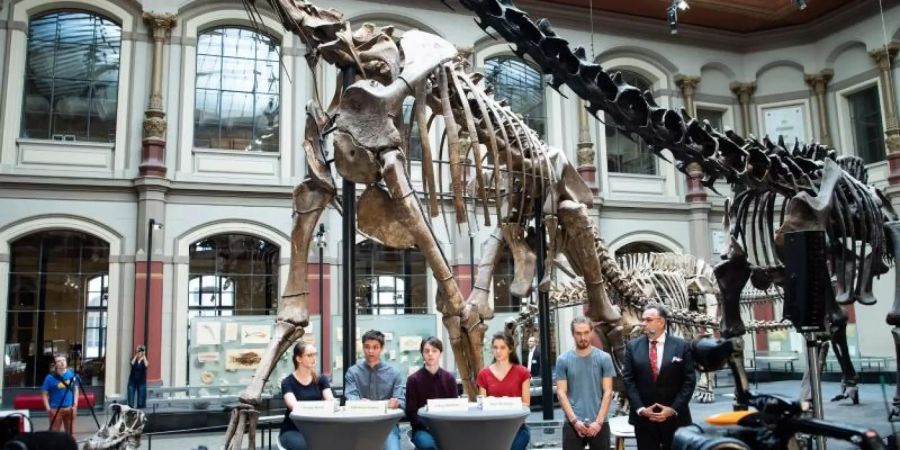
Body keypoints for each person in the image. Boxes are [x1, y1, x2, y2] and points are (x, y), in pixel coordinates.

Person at [621, 303, 696, 450]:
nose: (643, 323)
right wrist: (641, 409)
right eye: (643, 320)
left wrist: (673, 409)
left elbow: (689, 380)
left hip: (675, 419)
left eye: (648, 320)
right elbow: (628, 380)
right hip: (644, 420)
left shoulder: (682, 346)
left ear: (661, 322)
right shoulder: (632, 347)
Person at [556, 316, 616, 450]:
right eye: (578, 333)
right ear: (573, 334)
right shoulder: (563, 360)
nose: (583, 337)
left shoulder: (604, 358)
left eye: (586, 333)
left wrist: (598, 423)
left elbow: (608, 392)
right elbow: (561, 392)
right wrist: (574, 421)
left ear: (592, 332)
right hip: (572, 423)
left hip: (599, 421)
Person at [344, 330, 405, 450]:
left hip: (387, 425)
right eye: (367, 347)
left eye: (375, 347)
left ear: (382, 349)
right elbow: (351, 398)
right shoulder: (352, 372)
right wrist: (359, 403)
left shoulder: (394, 373)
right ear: (363, 347)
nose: (370, 351)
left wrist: (397, 403)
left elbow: (402, 401)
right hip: (360, 425)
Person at [477, 332, 531, 450]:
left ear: (510, 349)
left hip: (516, 427)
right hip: (492, 428)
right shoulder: (484, 374)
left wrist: (502, 402)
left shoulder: (523, 373)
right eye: (495, 347)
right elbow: (482, 405)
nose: (498, 351)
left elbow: (526, 404)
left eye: (502, 347)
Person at [405, 337, 457, 450]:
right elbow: (411, 412)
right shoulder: (413, 380)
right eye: (426, 351)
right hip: (422, 429)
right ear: (422, 354)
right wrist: (429, 426)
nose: (430, 354)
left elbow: (455, 408)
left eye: (434, 350)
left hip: (446, 428)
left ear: (440, 353)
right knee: (428, 445)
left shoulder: (449, 379)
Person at [279, 341, 334, 450]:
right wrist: (320, 408)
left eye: (315, 354)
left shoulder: (321, 379)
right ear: (298, 359)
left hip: (317, 429)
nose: (314, 358)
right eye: (309, 355)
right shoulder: (287, 382)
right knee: (308, 447)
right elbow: (294, 406)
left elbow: (330, 400)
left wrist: (331, 403)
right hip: (293, 430)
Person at [41, 353, 78, 434]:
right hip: (55, 409)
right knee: (54, 433)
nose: (62, 362)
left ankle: (69, 446)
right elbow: (44, 394)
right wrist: (48, 409)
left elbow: (76, 390)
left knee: (70, 433)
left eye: (64, 360)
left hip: (70, 408)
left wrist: (75, 405)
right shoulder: (49, 378)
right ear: (55, 364)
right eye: (59, 361)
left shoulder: (72, 374)